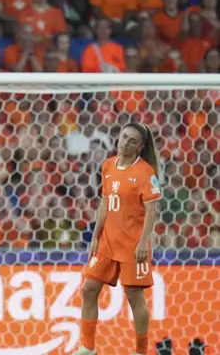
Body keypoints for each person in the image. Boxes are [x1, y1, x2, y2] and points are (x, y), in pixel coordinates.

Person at [74, 123, 161, 355]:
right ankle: (87, 347)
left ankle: (140, 351)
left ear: (140, 147)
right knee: (89, 288)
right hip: (107, 242)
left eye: (132, 141)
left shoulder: (145, 172)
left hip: (134, 245)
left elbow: (152, 210)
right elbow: (105, 202)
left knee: (134, 296)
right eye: (123, 137)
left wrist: (144, 242)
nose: (125, 143)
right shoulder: (108, 165)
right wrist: (95, 234)